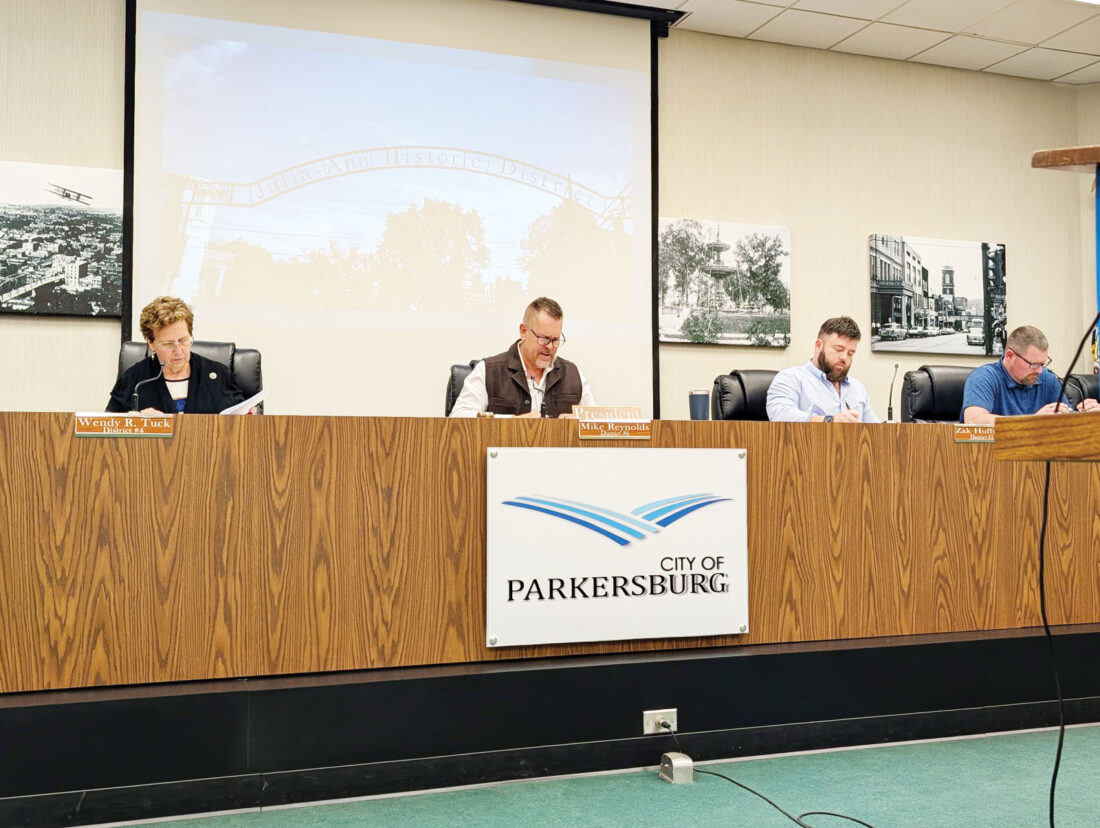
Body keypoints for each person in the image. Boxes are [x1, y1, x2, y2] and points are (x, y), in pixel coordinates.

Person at [449, 296, 594, 418]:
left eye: (555, 340)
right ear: (524, 331)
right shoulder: (488, 371)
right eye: (544, 339)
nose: (550, 347)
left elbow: (600, 421)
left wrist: (582, 420)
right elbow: (458, 418)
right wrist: (512, 422)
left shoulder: (573, 374)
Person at [107, 296, 246, 414]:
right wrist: (141, 423)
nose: (179, 351)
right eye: (168, 344)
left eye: (183, 341)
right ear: (151, 343)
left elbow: (241, 422)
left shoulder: (218, 375)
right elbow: (110, 427)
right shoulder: (134, 381)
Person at [960, 325, 1100, 423]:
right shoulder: (984, 378)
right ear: (1009, 356)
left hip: (1036, 454)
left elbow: (1066, 421)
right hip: (991, 454)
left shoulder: (1046, 378)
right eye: (1033, 364)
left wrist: (1088, 416)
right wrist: (1033, 421)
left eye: (1043, 363)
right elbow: (974, 420)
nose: (1039, 370)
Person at [766, 316, 879, 423]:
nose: (844, 357)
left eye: (850, 353)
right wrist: (829, 421)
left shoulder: (857, 387)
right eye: (838, 349)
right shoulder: (790, 378)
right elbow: (780, 415)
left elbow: (875, 430)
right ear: (818, 346)